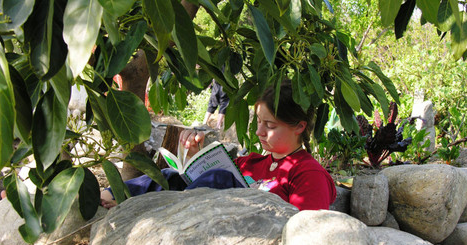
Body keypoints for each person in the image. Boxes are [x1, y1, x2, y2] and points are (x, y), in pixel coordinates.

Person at [101, 81, 336, 211]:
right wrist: (194, 156)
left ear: (299, 127)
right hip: (203, 213)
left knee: (222, 179)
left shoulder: (307, 173)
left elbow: (307, 229)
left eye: (270, 125)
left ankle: (156, 213)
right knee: (170, 175)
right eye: (259, 122)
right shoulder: (252, 162)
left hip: (241, 227)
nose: (259, 132)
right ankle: (109, 196)